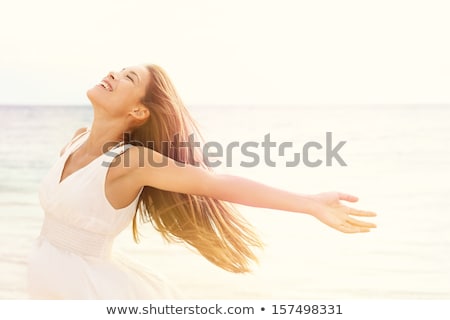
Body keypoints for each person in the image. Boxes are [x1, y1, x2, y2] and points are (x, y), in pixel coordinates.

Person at [27, 64, 377, 299]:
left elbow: (216, 183)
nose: (113, 74)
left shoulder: (130, 161)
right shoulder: (76, 139)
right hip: (48, 282)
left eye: (127, 79)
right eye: (118, 70)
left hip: (87, 291)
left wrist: (310, 203)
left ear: (138, 112)